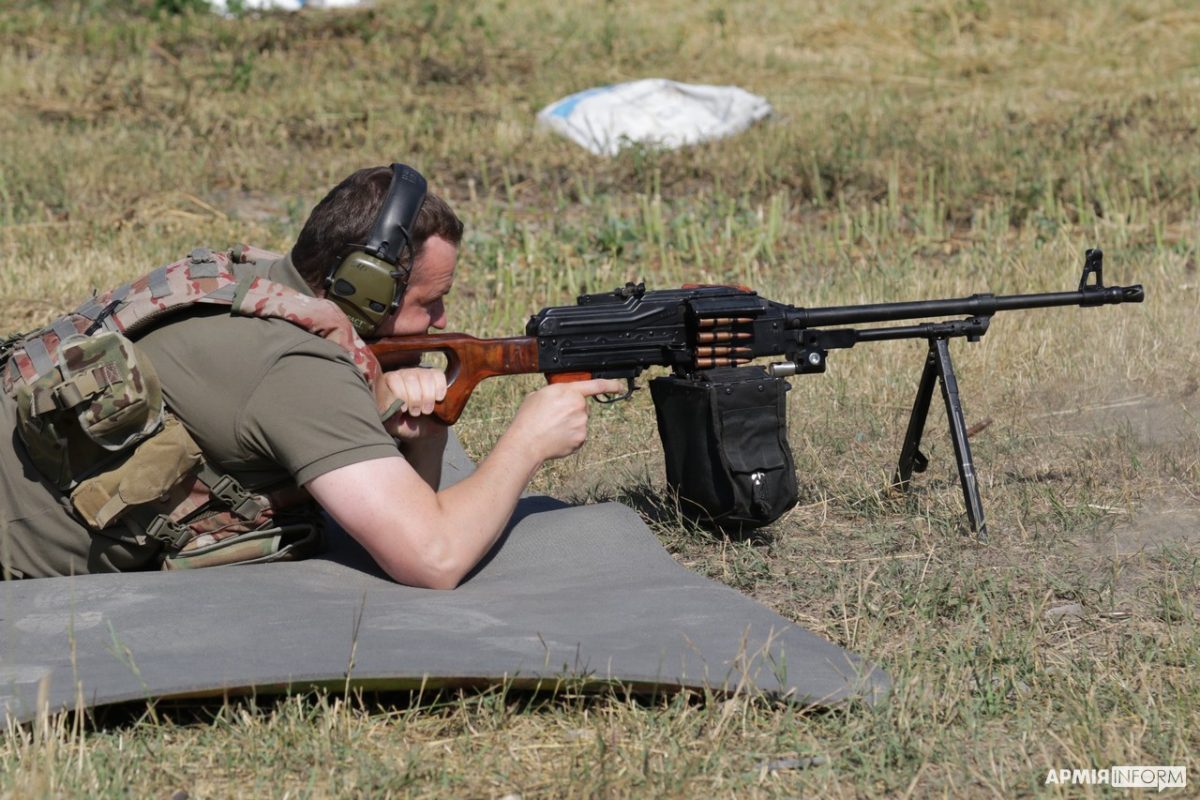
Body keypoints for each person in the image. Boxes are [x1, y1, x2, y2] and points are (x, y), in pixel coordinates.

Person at [0, 164, 622, 587]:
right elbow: (433, 558)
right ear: (364, 290)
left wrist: (425, 434)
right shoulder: (297, 368)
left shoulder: (263, 285)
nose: (442, 320)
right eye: (430, 302)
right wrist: (528, 441)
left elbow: (397, 509)